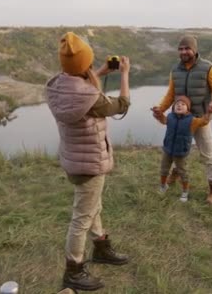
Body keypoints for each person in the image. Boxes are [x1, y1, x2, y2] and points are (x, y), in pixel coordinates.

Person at [46, 32, 130, 291]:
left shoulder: (57, 85)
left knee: (92, 205)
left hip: (73, 159)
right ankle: (73, 270)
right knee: (82, 216)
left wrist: (102, 72)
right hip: (90, 161)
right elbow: (121, 104)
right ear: (85, 63)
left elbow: (80, 88)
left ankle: (101, 247)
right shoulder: (91, 98)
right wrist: (124, 74)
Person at [152, 35, 212, 205]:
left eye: (187, 48)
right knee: (177, 148)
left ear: (195, 50)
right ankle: (176, 173)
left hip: (200, 119)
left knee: (207, 154)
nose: (183, 52)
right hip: (179, 119)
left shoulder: (208, 68)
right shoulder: (175, 70)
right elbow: (171, 95)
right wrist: (160, 109)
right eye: (181, 49)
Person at [153, 95, 211, 202]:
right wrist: (158, 113)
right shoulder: (170, 117)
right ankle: (163, 185)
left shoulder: (192, 120)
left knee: (183, 172)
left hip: (180, 152)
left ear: (188, 108)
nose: (179, 106)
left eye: (183, 104)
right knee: (164, 169)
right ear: (174, 107)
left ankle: (185, 191)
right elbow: (163, 119)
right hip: (168, 149)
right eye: (177, 104)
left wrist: (209, 112)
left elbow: (204, 121)